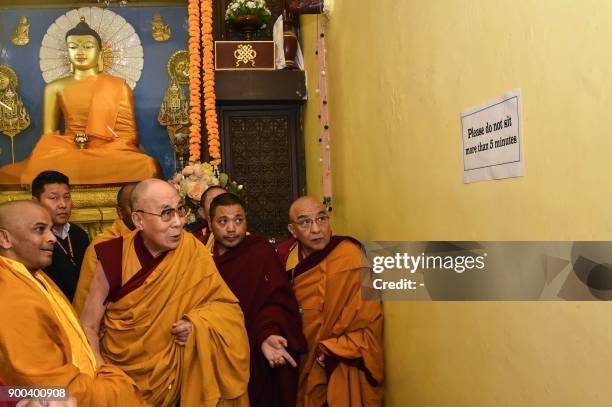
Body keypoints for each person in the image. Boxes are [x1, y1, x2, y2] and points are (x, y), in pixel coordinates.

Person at [80, 179, 250, 406]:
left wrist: (198, 324)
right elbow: (88, 325)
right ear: (138, 219)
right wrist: (101, 372)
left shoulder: (192, 251)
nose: (178, 222)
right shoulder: (114, 255)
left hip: (180, 381)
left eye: (180, 210)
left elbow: (227, 308)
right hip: (122, 382)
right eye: (166, 214)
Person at [0, 201, 142, 405]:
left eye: (50, 230)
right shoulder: (9, 294)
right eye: (40, 229)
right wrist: (113, 387)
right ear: (4, 238)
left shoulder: (30, 276)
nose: (51, 238)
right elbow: (49, 388)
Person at [0, 18, 160, 184]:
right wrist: (72, 147)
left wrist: (102, 149)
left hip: (111, 152)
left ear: (100, 53)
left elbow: (128, 135)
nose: (80, 52)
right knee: (24, 168)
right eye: (73, 47)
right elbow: (49, 136)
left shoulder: (118, 86)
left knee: (146, 165)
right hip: (68, 150)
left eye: (88, 46)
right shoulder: (54, 88)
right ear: (67, 52)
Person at [277, 196, 384, 407]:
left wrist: (333, 348)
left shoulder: (350, 257)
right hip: (301, 355)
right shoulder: (286, 257)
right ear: (292, 229)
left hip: (337, 360)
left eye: (321, 219)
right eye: (305, 222)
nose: (316, 229)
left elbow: (369, 321)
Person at [209, 193, 307, 407]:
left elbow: (278, 302)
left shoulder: (260, 251)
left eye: (238, 220)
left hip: (256, 351)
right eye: (223, 221)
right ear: (210, 223)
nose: (232, 228)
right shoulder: (200, 257)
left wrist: (268, 333)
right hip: (216, 351)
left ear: (246, 220)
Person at [72, 183, 136, 314]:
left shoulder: (164, 241)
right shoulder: (103, 246)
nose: (141, 212)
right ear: (120, 212)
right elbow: (85, 301)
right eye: (134, 206)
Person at [32, 170, 89, 302]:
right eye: (54, 198)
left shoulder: (79, 234)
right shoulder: (33, 237)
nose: (63, 204)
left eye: (67, 197)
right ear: (35, 202)